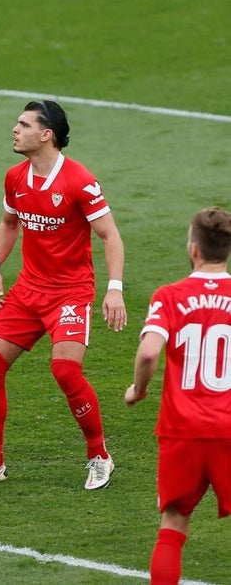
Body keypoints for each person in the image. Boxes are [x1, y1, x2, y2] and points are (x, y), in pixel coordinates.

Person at [0, 100, 127, 491]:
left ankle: (99, 456)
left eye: (23, 124)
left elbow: (109, 235)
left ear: (46, 134)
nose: (15, 129)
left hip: (69, 293)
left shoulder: (79, 181)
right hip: (29, 290)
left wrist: (113, 290)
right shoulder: (15, 177)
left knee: (66, 370)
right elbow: (8, 223)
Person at [125, 206, 231, 585]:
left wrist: (139, 390)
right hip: (229, 429)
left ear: (194, 250)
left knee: (173, 525)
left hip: (182, 431)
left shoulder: (169, 296)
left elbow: (150, 352)